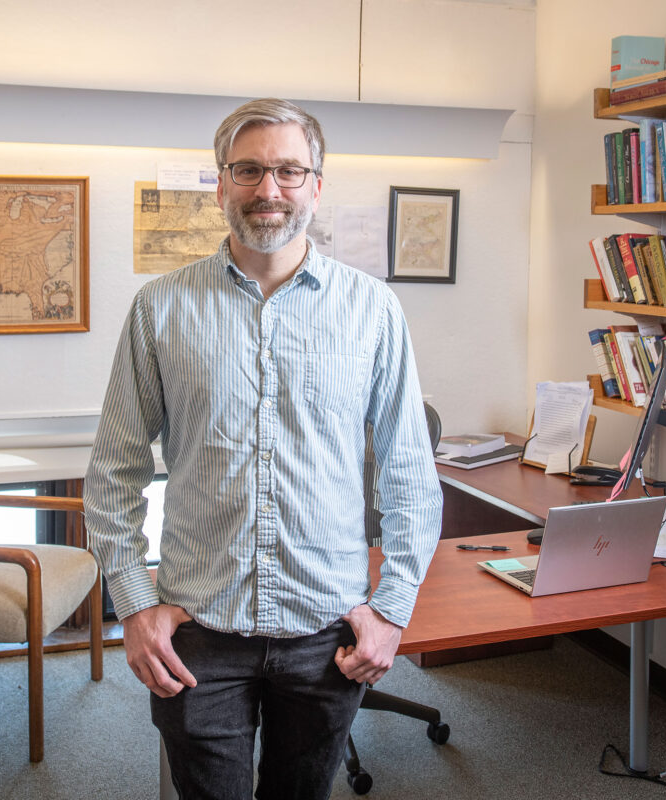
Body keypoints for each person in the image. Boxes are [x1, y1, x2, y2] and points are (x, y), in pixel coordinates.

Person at [83, 98, 443, 800]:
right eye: (248, 170)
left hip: (327, 638)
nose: (268, 190)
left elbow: (408, 471)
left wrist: (394, 609)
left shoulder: (372, 311)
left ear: (316, 184)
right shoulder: (161, 308)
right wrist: (131, 605)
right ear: (220, 185)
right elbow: (113, 473)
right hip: (200, 634)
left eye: (288, 170)